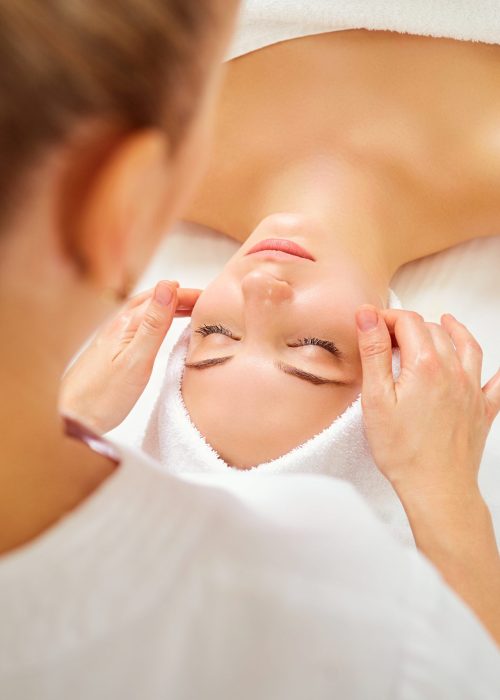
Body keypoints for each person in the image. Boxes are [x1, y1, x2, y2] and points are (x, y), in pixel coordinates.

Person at [2, 3, 500, 700]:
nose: (263, 292)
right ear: (404, 362)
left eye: (211, 339)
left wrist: (72, 420)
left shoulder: (106, 130)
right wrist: (445, 492)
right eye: (313, 353)